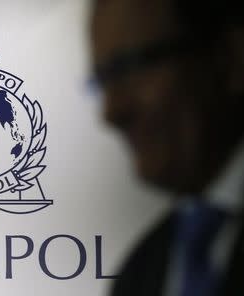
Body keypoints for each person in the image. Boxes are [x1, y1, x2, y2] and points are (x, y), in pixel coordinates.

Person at [90, 0, 244, 295]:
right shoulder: (139, 274)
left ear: (230, 56)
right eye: (103, 80)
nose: (111, 112)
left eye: (131, 67)